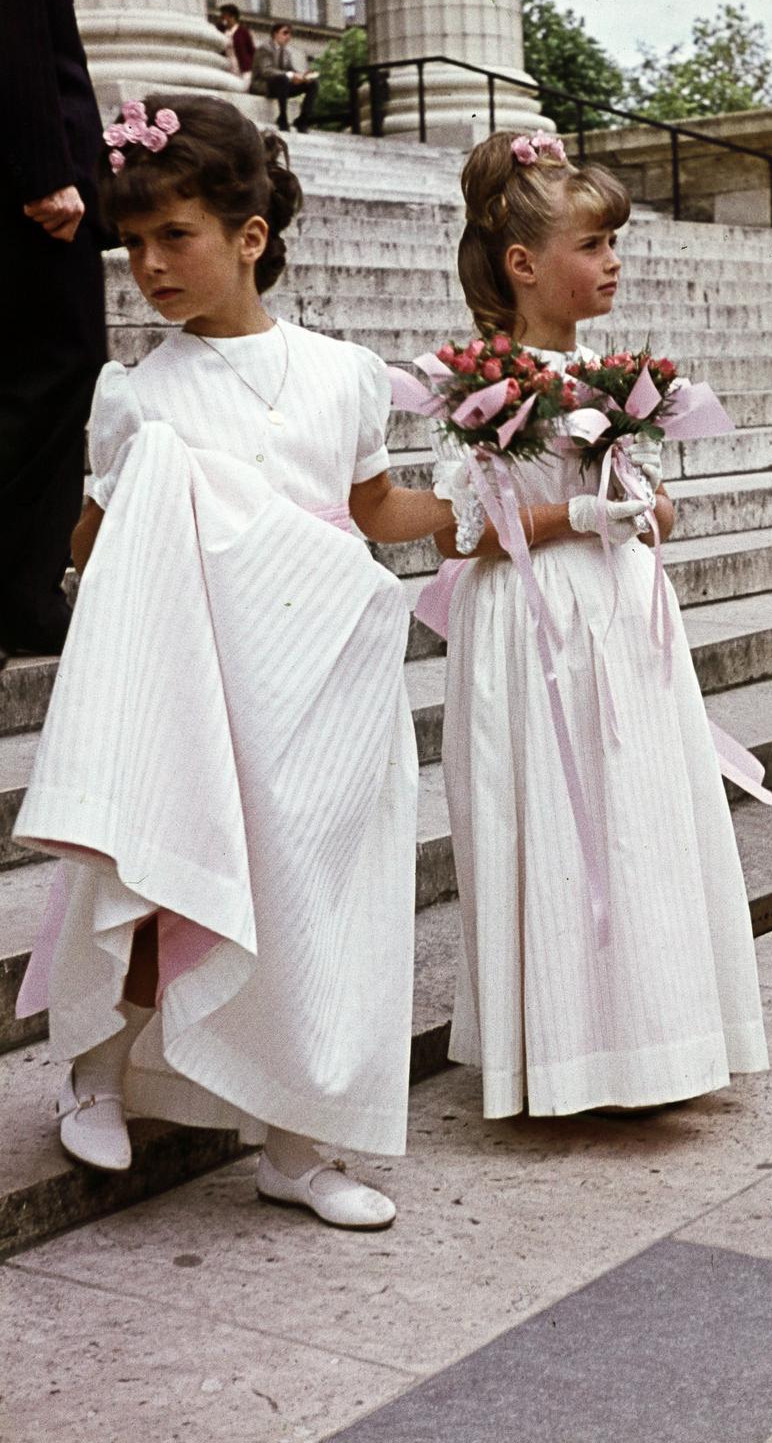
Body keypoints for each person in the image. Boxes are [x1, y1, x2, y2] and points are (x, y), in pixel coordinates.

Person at [14, 95, 458, 1229]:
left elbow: (369, 506)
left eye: (177, 237)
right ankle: (97, 1072)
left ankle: (300, 1142)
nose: (150, 266)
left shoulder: (344, 373)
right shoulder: (136, 392)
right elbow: (98, 537)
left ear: (249, 237)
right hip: (198, 676)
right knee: (161, 872)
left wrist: (473, 504)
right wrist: (104, 513)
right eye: (134, 245)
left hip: (319, 674)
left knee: (319, 891)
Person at [430, 129, 769, 1121]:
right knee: (557, 808)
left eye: (614, 243)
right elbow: (471, 527)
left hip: (620, 612)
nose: (612, 262)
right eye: (592, 245)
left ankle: (653, 1032)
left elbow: (647, 498)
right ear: (524, 264)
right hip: (540, 620)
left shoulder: (614, 375)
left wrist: (644, 505)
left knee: (636, 814)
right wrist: (579, 515)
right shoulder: (490, 382)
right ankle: (568, 1048)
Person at [0, 0, 107, 659]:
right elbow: (14, 9)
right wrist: (45, 167)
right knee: (54, 369)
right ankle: (23, 597)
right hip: (30, 183)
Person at [250, 21, 318, 132]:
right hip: (263, 85)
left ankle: (303, 120)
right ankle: (282, 118)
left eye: (290, 34)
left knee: (313, 83)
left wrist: (302, 76)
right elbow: (266, 71)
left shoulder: (286, 52)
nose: (288, 37)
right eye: (285, 33)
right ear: (275, 34)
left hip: (281, 86)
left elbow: (290, 70)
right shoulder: (265, 48)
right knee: (283, 79)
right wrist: (291, 75)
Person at [217, 3, 255, 83]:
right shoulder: (222, 31)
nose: (222, 19)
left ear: (232, 17)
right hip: (228, 65)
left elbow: (251, 50)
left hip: (242, 67)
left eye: (224, 16)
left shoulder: (242, 32)